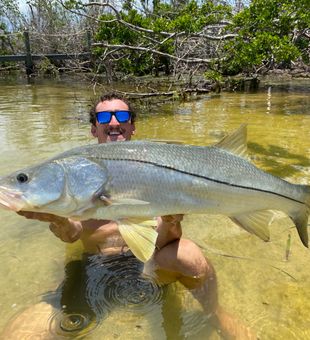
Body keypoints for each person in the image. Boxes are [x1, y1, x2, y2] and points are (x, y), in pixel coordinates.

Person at [3, 92, 255, 339]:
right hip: (95, 268)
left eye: (121, 115)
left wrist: (171, 220)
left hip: (150, 266)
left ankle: (215, 312)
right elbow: (73, 235)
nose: (114, 122)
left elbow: (168, 240)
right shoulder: (78, 171)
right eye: (104, 118)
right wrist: (58, 221)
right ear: (94, 129)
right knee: (20, 334)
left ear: (132, 126)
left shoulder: (157, 164)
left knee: (189, 254)